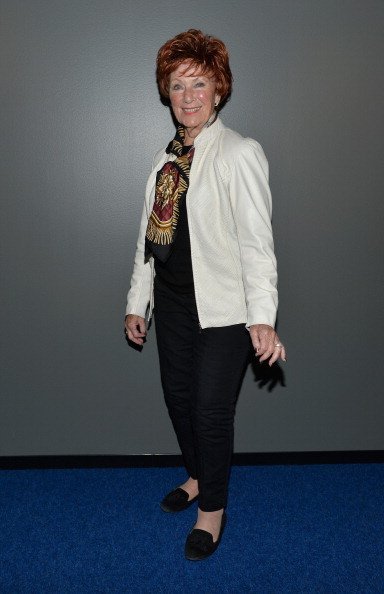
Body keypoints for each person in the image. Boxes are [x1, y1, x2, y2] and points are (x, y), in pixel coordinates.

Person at [124, 29, 286, 561]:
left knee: (210, 410)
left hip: (224, 308)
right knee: (178, 399)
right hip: (172, 304)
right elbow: (149, 240)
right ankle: (197, 475)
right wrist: (136, 301)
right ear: (166, 94)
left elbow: (257, 245)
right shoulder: (164, 161)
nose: (188, 95)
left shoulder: (239, 153)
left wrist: (262, 317)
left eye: (199, 83)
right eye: (177, 85)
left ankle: (212, 508)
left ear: (219, 89)